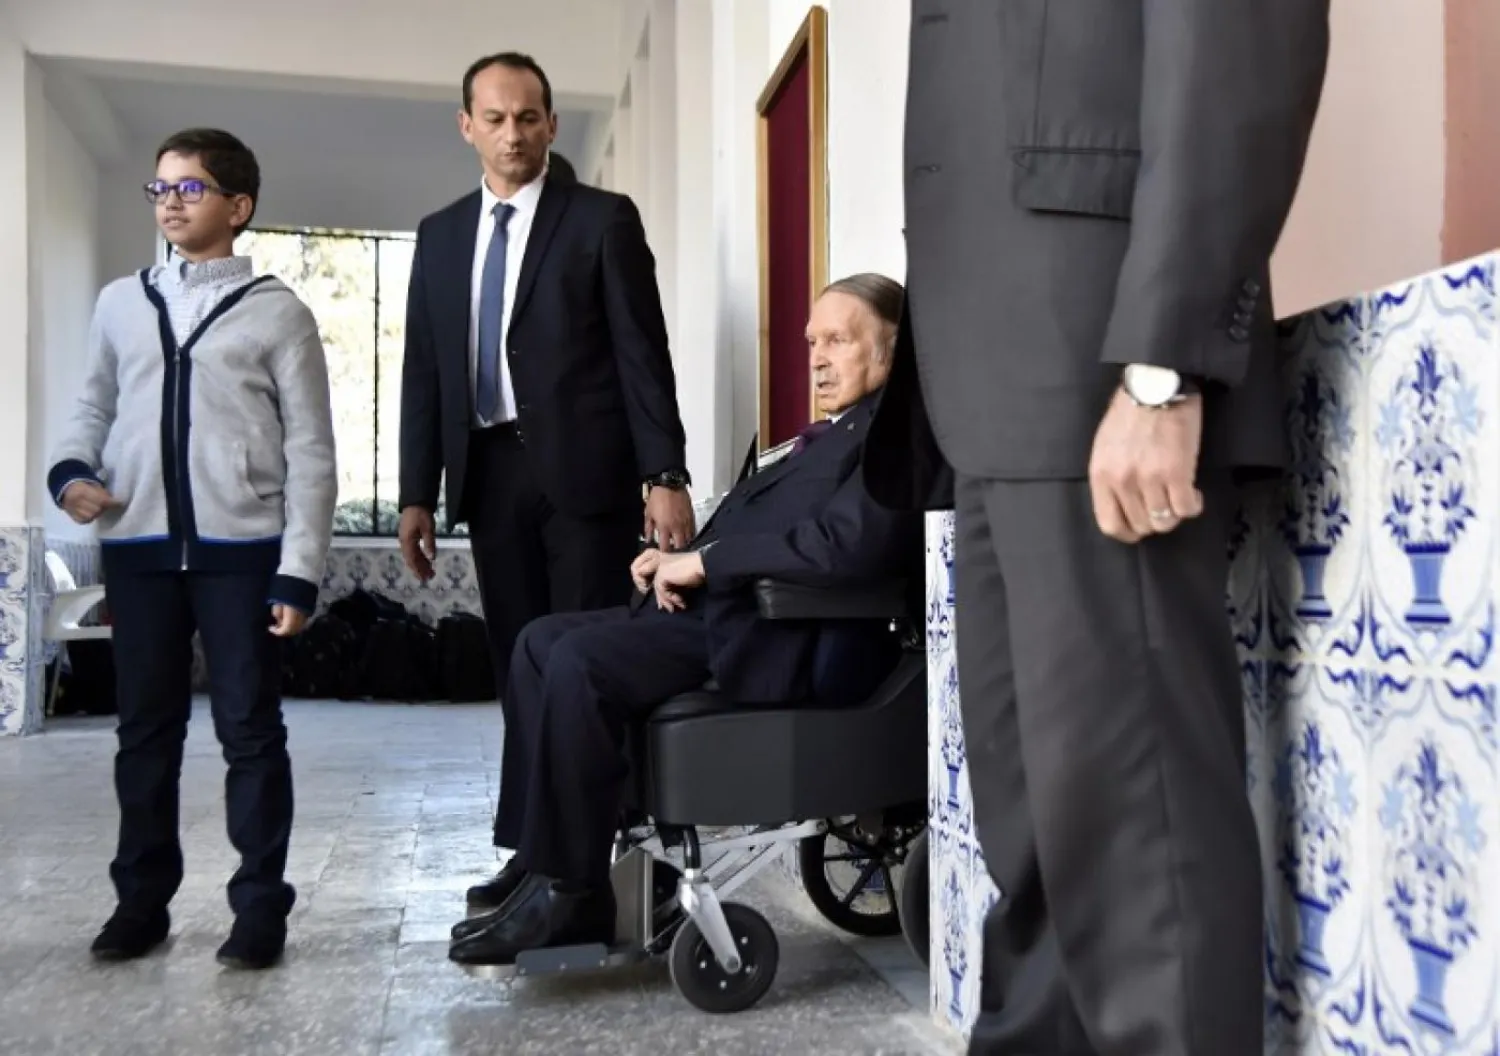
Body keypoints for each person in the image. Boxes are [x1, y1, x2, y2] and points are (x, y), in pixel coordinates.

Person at [864, 5, 1332, 1054]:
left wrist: (1164, 368)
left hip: (1095, 352)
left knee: (1136, 847)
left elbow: (1240, 39)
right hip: (987, 379)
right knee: (1034, 848)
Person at [445, 273, 922, 966]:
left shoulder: (893, 438)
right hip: (730, 614)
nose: (816, 357)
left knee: (581, 662)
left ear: (894, 347)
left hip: (782, 635)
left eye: (839, 341)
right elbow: (769, 527)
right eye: (812, 341)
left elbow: (844, 547)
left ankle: (575, 895)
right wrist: (680, 556)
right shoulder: (828, 435)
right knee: (540, 641)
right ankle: (540, 858)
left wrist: (706, 565)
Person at [397, 52, 695, 908]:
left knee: (584, 664)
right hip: (488, 475)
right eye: (495, 118)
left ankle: (599, 869)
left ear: (552, 125)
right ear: (467, 126)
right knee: (518, 669)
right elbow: (425, 370)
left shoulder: (600, 219)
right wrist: (418, 491)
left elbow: (645, 356)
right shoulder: (440, 233)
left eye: (528, 117)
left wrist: (664, 472)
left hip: (586, 481)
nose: (513, 133)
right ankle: (537, 853)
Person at [47, 128, 337, 971]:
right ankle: (140, 903)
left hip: (241, 554)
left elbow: (312, 450)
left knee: (250, 730)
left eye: (193, 188)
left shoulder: (279, 312)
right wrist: (71, 474)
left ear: (238, 208)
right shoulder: (119, 303)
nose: (171, 200)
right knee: (145, 733)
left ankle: (259, 910)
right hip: (137, 550)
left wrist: (299, 568)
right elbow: (91, 408)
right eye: (162, 187)